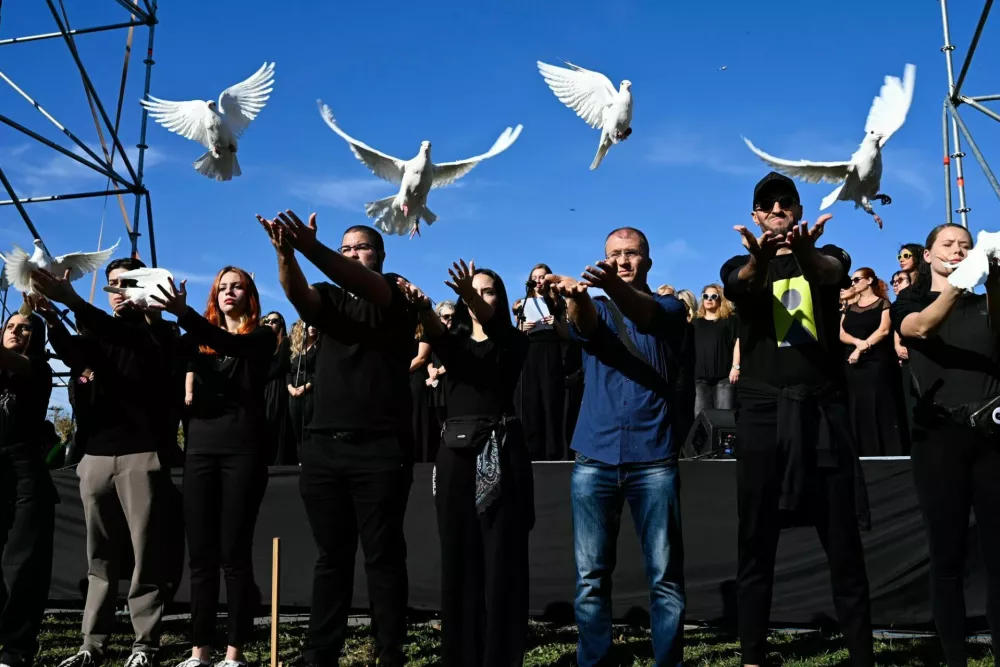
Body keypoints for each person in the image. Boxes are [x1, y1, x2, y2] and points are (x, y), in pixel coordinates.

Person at [720, 172, 874, 667]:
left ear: (800, 210)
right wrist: (760, 260)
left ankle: (861, 655)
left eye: (787, 202)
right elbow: (740, 283)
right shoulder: (738, 264)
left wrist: (802, 253)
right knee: (755, 540)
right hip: (764, 414)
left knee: (842, 541)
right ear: (756, 215)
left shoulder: (832, 255)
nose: (779, 208)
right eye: (768, 204)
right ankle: (752, 655)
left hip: (821, 410)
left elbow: (827, 273)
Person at [256, 210, 414, 667]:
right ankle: (321, 651)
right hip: (323, 446)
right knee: (331, 557)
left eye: (360, 247)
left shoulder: (393, 292)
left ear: (380, 255)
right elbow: (298, 295)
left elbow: (363, 282)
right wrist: (287, 254)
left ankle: (390, 651)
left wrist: (309, 246)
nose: (351, 254)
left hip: (380, 448)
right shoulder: (328, 297)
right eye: (344, 248)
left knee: (383, 557)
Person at [546, 227, 687, 667]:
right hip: (595, 457)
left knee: (665, 579)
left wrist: (602, 286)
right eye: (614, 255)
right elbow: (584, 327)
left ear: (648, 259)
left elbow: (645, 317)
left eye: (631, 254)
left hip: (654, 458)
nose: (623, 262)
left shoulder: (669, 307)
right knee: (590, 579)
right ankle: (594, 661)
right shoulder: (599, 307)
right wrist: (578, 295)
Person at [31, 259, 176, 667]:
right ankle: (91, 643)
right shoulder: (96, 329)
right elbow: (78, 357)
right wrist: (53, 321)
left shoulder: (159, 331)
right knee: (100, 557)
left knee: (145, 554)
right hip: (94, 455)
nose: (118, 291)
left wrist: (72, 300)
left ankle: (144, 643)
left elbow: (127, 341)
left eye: (127, 283)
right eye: (111, 284)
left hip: (141, 453)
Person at [399, 260, 533, 667]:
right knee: (458, 556)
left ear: (500, 297)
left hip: (501, 446)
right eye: (471, 292)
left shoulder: (512, 339)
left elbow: (495, 333)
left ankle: (500, 656)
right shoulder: (450, 341)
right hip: (455, 454)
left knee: (501, 558)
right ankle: (459, 654)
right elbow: (437, 331)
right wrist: (422, 307)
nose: (478, 297)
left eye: (488, 290)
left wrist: (471, 295)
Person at [150, 267, 275, 667]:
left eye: (237, 286)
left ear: (250, 294)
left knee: (234, 555)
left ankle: (234, 653)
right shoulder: (193, 343)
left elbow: (230, 345)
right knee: (201, 557)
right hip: (200, 453)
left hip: (243, 453)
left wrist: (185, 316)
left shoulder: (262, 336)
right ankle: (199, 651)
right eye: (222, 287)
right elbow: (166, 354)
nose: (228, 292)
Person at [892, 223, 1000, 667]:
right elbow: (919, 330)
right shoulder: (912, 298)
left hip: (991, 437)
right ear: (929, 254)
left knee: (998, 556)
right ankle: (955, 657)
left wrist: (991, 274)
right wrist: (960, 281)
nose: (958, 250)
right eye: (949, 245)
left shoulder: (982, 301)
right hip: (938, 439)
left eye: (966, 245)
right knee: (948, 554)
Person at [0, 311, 54, 667]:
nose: (17, 331)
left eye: (26, 328)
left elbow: (16, 364)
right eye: (10, 326)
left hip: (25, 471)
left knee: (22, 564)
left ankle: (16, 649)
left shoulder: (38, 369)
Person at [840, 268, 909, 456]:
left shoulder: (883, 303)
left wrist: (862, 348)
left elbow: (884, 330)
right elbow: (842, 333)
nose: (853, 283)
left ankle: (887, 452)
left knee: (878, 404)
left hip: (876, 363)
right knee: (856, 406)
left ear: (869, 280)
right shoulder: (849, 308)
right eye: (852, 281)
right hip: (852, 365)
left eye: (856, 279)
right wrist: (857, 344)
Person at [513, 263, 571, 461]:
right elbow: (515, 334)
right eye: (535, 277)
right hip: (529, 352)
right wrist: (522, 327)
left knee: (550, 399)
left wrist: (553, 322)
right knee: (530, 401)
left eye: (542, 277)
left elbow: (567, 335)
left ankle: (553, 452)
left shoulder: (558, 302)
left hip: (550, 352)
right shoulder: (522, 302)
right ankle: (531, 451)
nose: (538, 280)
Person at [692, 284, 740, 416]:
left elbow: (737, 343)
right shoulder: (695, 323)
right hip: (699, 379)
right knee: (700, 419)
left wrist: (736, 367)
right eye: (706, 296)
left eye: (714, 296)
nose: (709, 299)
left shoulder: (730, 320)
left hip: (724, 377)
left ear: (720, 299)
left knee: (725, 418)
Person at [261, 311, 293, 464]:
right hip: (264, 387)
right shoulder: (264, 343)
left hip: (276, 386)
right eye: (267, 321)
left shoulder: (285, 341)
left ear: (281, 323)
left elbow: (281, 366)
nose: (270, 323)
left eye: (274, 321)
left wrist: (263, 377)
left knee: (275, 420)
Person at [287, 320, 319, 458]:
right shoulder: (297, 347)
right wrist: (290, 387)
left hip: (310, 389)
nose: (312, 328)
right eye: (309, 325)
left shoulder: (319, 346)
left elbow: (319, 370)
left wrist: (306, 387)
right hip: (293, 390)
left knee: (308, 424)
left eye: (315, 325)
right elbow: (288, 371)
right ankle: (300, 458)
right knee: (296, 425)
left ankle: (310, 457)